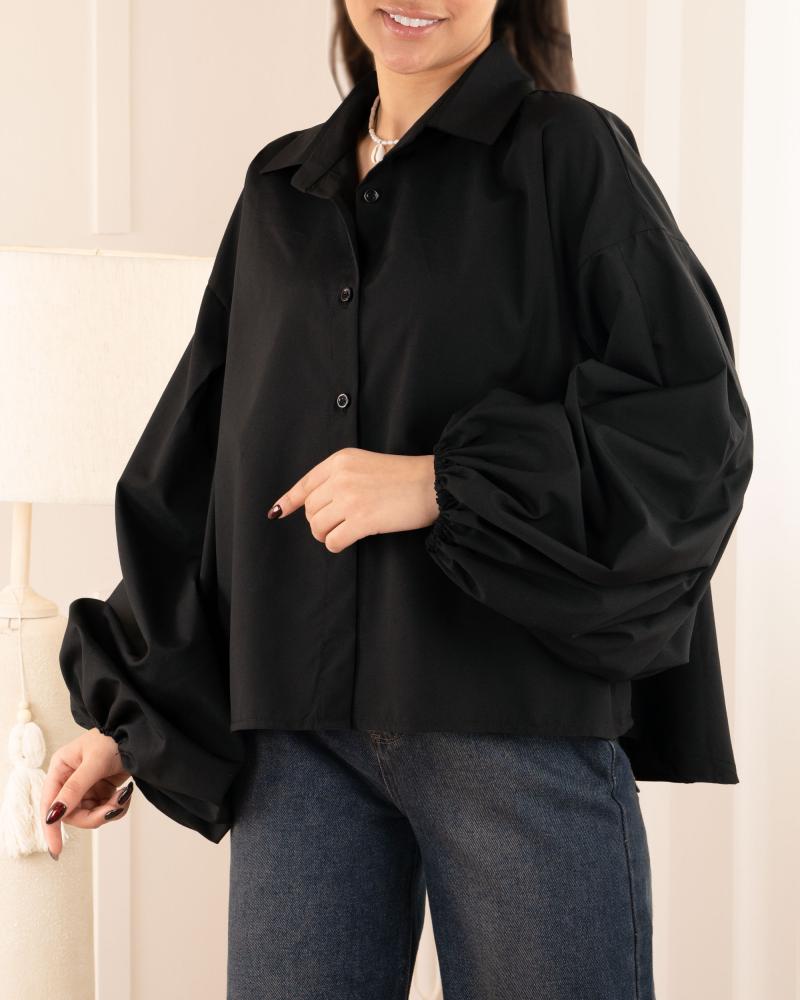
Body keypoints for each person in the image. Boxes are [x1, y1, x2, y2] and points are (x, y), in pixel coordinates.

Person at [44, 1, 754, 997]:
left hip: (511, 728)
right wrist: (126, 718)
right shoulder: (280, 189)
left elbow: (688, 428)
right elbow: (206, 476)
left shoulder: (570, 156)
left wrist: (435, 482)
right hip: (297, 744)